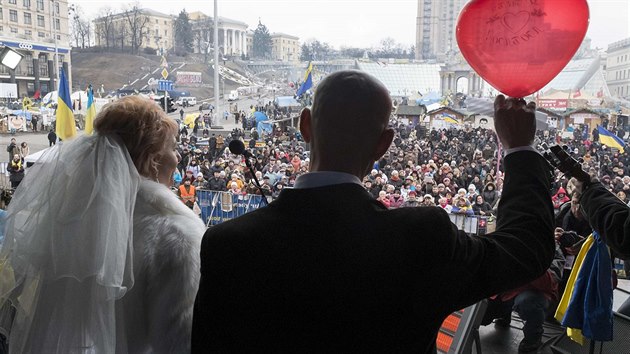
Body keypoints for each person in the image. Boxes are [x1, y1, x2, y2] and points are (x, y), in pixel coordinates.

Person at [192, 70, 554, 353]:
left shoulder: (226, 245)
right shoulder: (421, 239)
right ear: (384, 145)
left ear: (304, 126)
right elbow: (526, 250)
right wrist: (519, 148)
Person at [0, 96, 205, 353]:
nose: (177, 158)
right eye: (173, 148)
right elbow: (181, 341)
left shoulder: (72, 221)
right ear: (153, 160)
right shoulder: (177, 235)